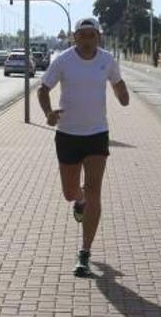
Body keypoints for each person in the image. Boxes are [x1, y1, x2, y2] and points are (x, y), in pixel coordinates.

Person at [37, 18, 130, 277]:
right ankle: (78, 201)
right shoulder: (64, 60)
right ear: (75, 37)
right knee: (70, 192)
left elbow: (117, 82)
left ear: (98, 37)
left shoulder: (107, 60)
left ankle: (85, 251)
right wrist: (48, 113)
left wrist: (122, 94)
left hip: (97, 134)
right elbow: (43, 89)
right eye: (83, 35)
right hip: (67, 134)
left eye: (93, 35)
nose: (88, 40)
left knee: (94, 191)